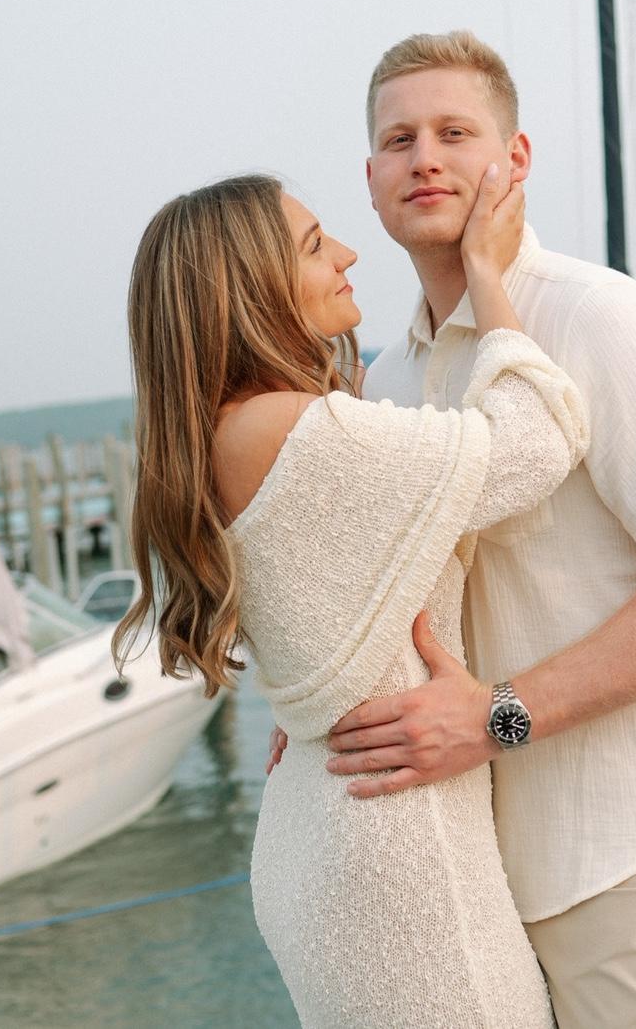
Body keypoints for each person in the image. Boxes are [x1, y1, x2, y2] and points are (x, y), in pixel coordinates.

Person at [316, 30, 636, 1028]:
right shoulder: (389, 378)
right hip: (479, 863)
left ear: (515, 158)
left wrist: (493, 716)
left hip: (634, 840)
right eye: (400, 140)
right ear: (371, 180)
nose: (425, 158)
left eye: (455, 133)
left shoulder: (603, 320)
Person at [114, 170, 589, 1028]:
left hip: (320, 823)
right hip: (394, 846)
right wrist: (487, 275)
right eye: (312, 245)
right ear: (249, 288)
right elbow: (535, 443)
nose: (346, 254)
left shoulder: (228, 436)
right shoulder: (294, 429)